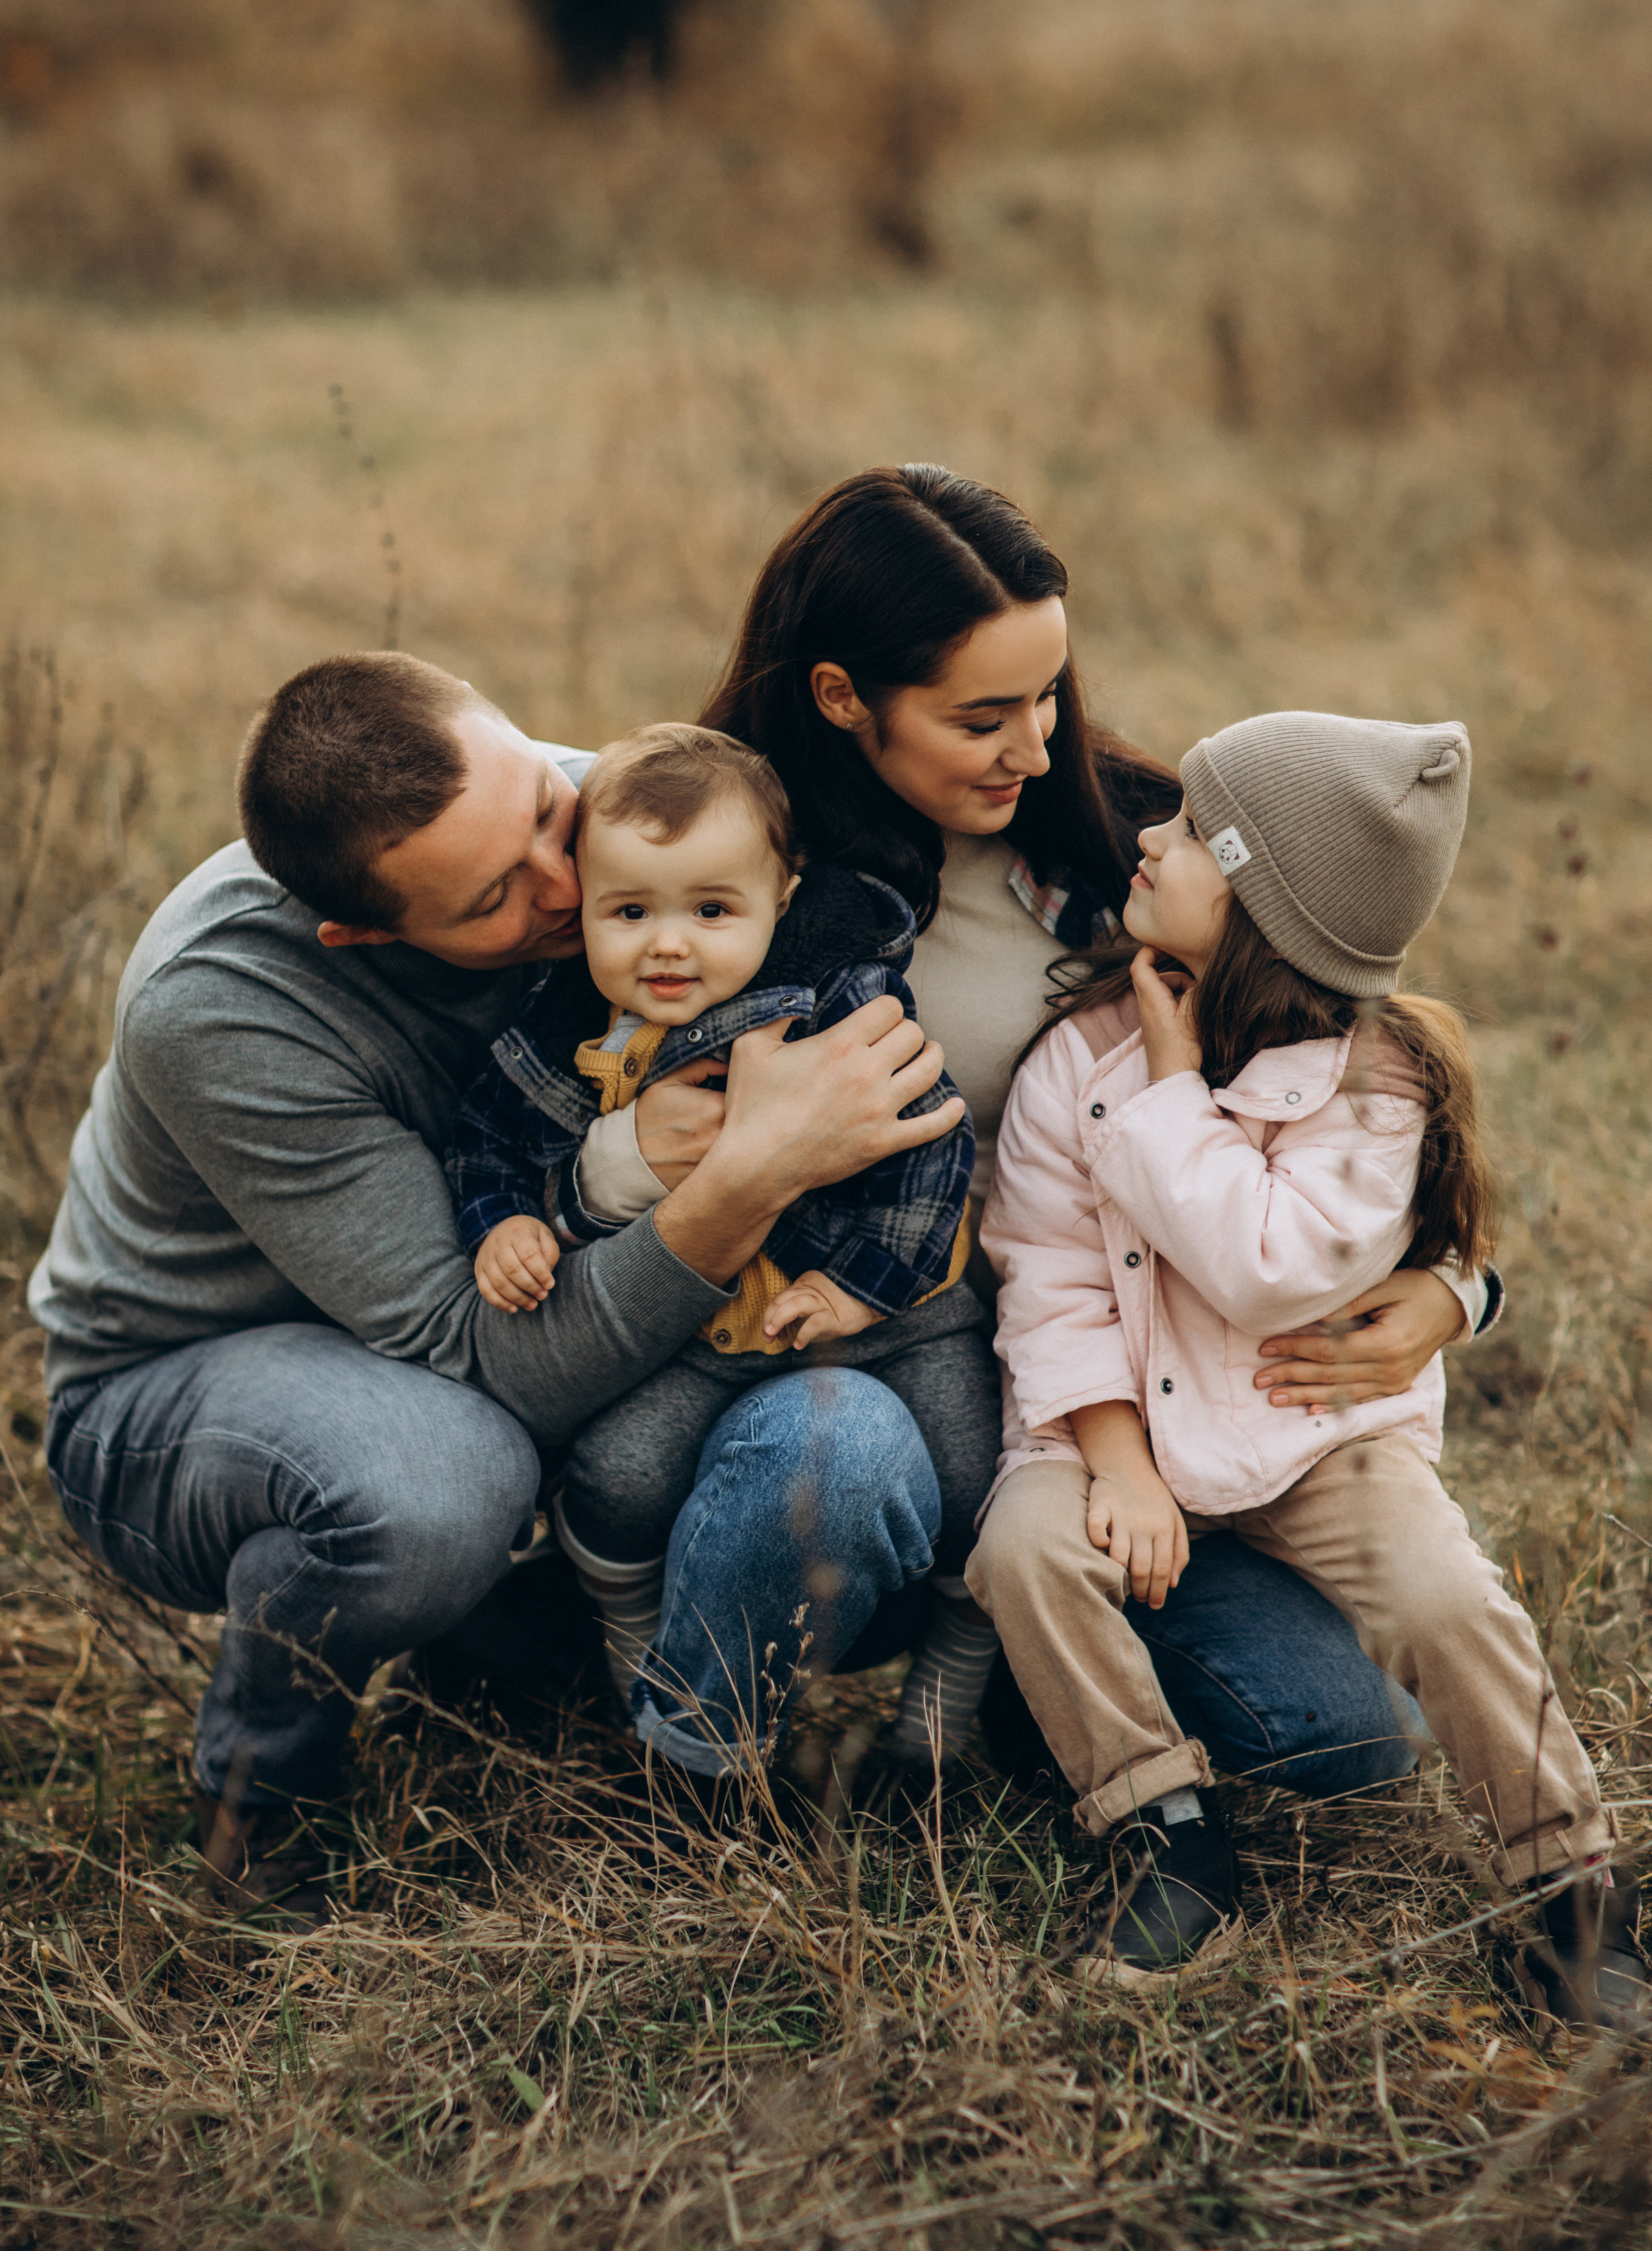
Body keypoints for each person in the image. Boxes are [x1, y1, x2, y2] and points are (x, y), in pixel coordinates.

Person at [604, 465, 1500, 1797]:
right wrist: (636, 1157)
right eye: (983, 715)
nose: (1033, 747)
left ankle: (1004, 1700)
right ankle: (680, 1728)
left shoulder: (1126, 847)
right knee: (827, 1455)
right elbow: (570, 1070)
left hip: (1076, 1397)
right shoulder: (722, 864)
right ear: (844, 699)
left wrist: (1458, 1288)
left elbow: (1352, 1077)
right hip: (793, 1375)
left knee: (1344, 1743)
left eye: (1049, 696)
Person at [32, 651, 967, 1919]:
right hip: (192, 1383)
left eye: (541, 806)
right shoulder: (223, 1010)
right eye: (491, 899)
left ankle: (512, 1645)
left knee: (779, 1434)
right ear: (366, 930)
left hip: (496, 1317)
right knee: (441, 1481)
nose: (566, 883)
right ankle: (259, 1795)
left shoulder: (610, 823)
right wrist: (746, 1173)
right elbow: (488, 1357)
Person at [968, 710, 1651, 2032]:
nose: (1147, 836)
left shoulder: (1378, 1084)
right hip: (1119, 1429)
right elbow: (1044, 1276)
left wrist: (1175, 1092)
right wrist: (1113, 1461)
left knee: (1448, 1599)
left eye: (1185, 830)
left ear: (1265, 902)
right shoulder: (1078, 1057)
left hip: (1316, 1434)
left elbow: (1264, 1266)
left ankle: (1569, 1883)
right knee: (1024, 1552)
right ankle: (1163, 1828)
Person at [443, 720, 987, 1746]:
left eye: (710, 909)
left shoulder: (838, 992)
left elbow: (930, 1149)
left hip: (891, 1311)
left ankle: (956, 1678)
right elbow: (486, 1139)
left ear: (780, 898)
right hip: (699, 1326)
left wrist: (861, 1288)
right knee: (617, 1476)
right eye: (631, 910)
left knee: (974, 1473)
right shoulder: (573, 1023)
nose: (668, 943)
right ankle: (634, 1634)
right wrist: (508, 1217)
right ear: (584, 905)